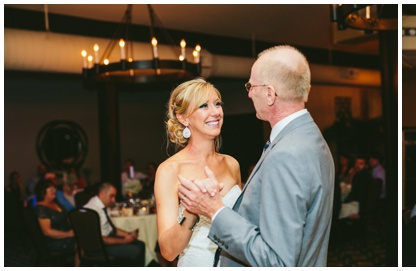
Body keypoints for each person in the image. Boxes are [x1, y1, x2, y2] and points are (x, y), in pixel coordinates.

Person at [178, 45, 335, 267]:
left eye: (251, 86)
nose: (249, 93)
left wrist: (215, 210)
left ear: (270, 94)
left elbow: (276, 261)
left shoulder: (286, 154)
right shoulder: (312, 138)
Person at [153, 78, 243, 267]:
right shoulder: (169, 170)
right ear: (183, 118)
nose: (215, 112)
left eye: (217, 104)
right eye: (204, 106)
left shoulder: (231, 164)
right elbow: (168, 252)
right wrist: (192, 211)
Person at [83, 182, 145, 266]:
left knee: (141, 244)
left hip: (104, 241)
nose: (114, 200)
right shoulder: (93, 210)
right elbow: (101, 239)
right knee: (136, 250)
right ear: (102, 194)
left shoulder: (101, 205)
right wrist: (124, 241)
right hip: (97, 248)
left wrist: (128, 234)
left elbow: (111, 229)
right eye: (111, 196)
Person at [33, 180, 76, 256]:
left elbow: (66, 217)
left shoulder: (55, 202)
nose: (54, 191)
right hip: (56, 241)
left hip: (66, 234)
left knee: (86, 236)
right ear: (42, 192)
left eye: (54, 189)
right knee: (84, 243)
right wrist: (68, 234)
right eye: (51, 189)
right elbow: (47, 232)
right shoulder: (41, 209)